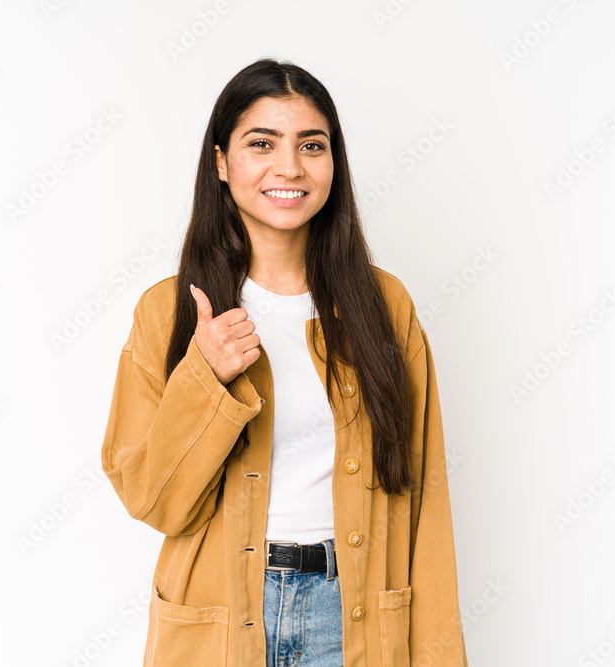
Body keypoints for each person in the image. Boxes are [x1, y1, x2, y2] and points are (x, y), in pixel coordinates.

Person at [100, 57, 469, 666]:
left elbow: (427, 503)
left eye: (312, 145)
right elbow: (153, 500)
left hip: (352, 615)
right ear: (221, 162)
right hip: (219, 620)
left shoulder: (385, 306)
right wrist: (205, 378)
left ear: (333, 162)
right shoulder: (168, 313)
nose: (290, 167)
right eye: (261, 143)